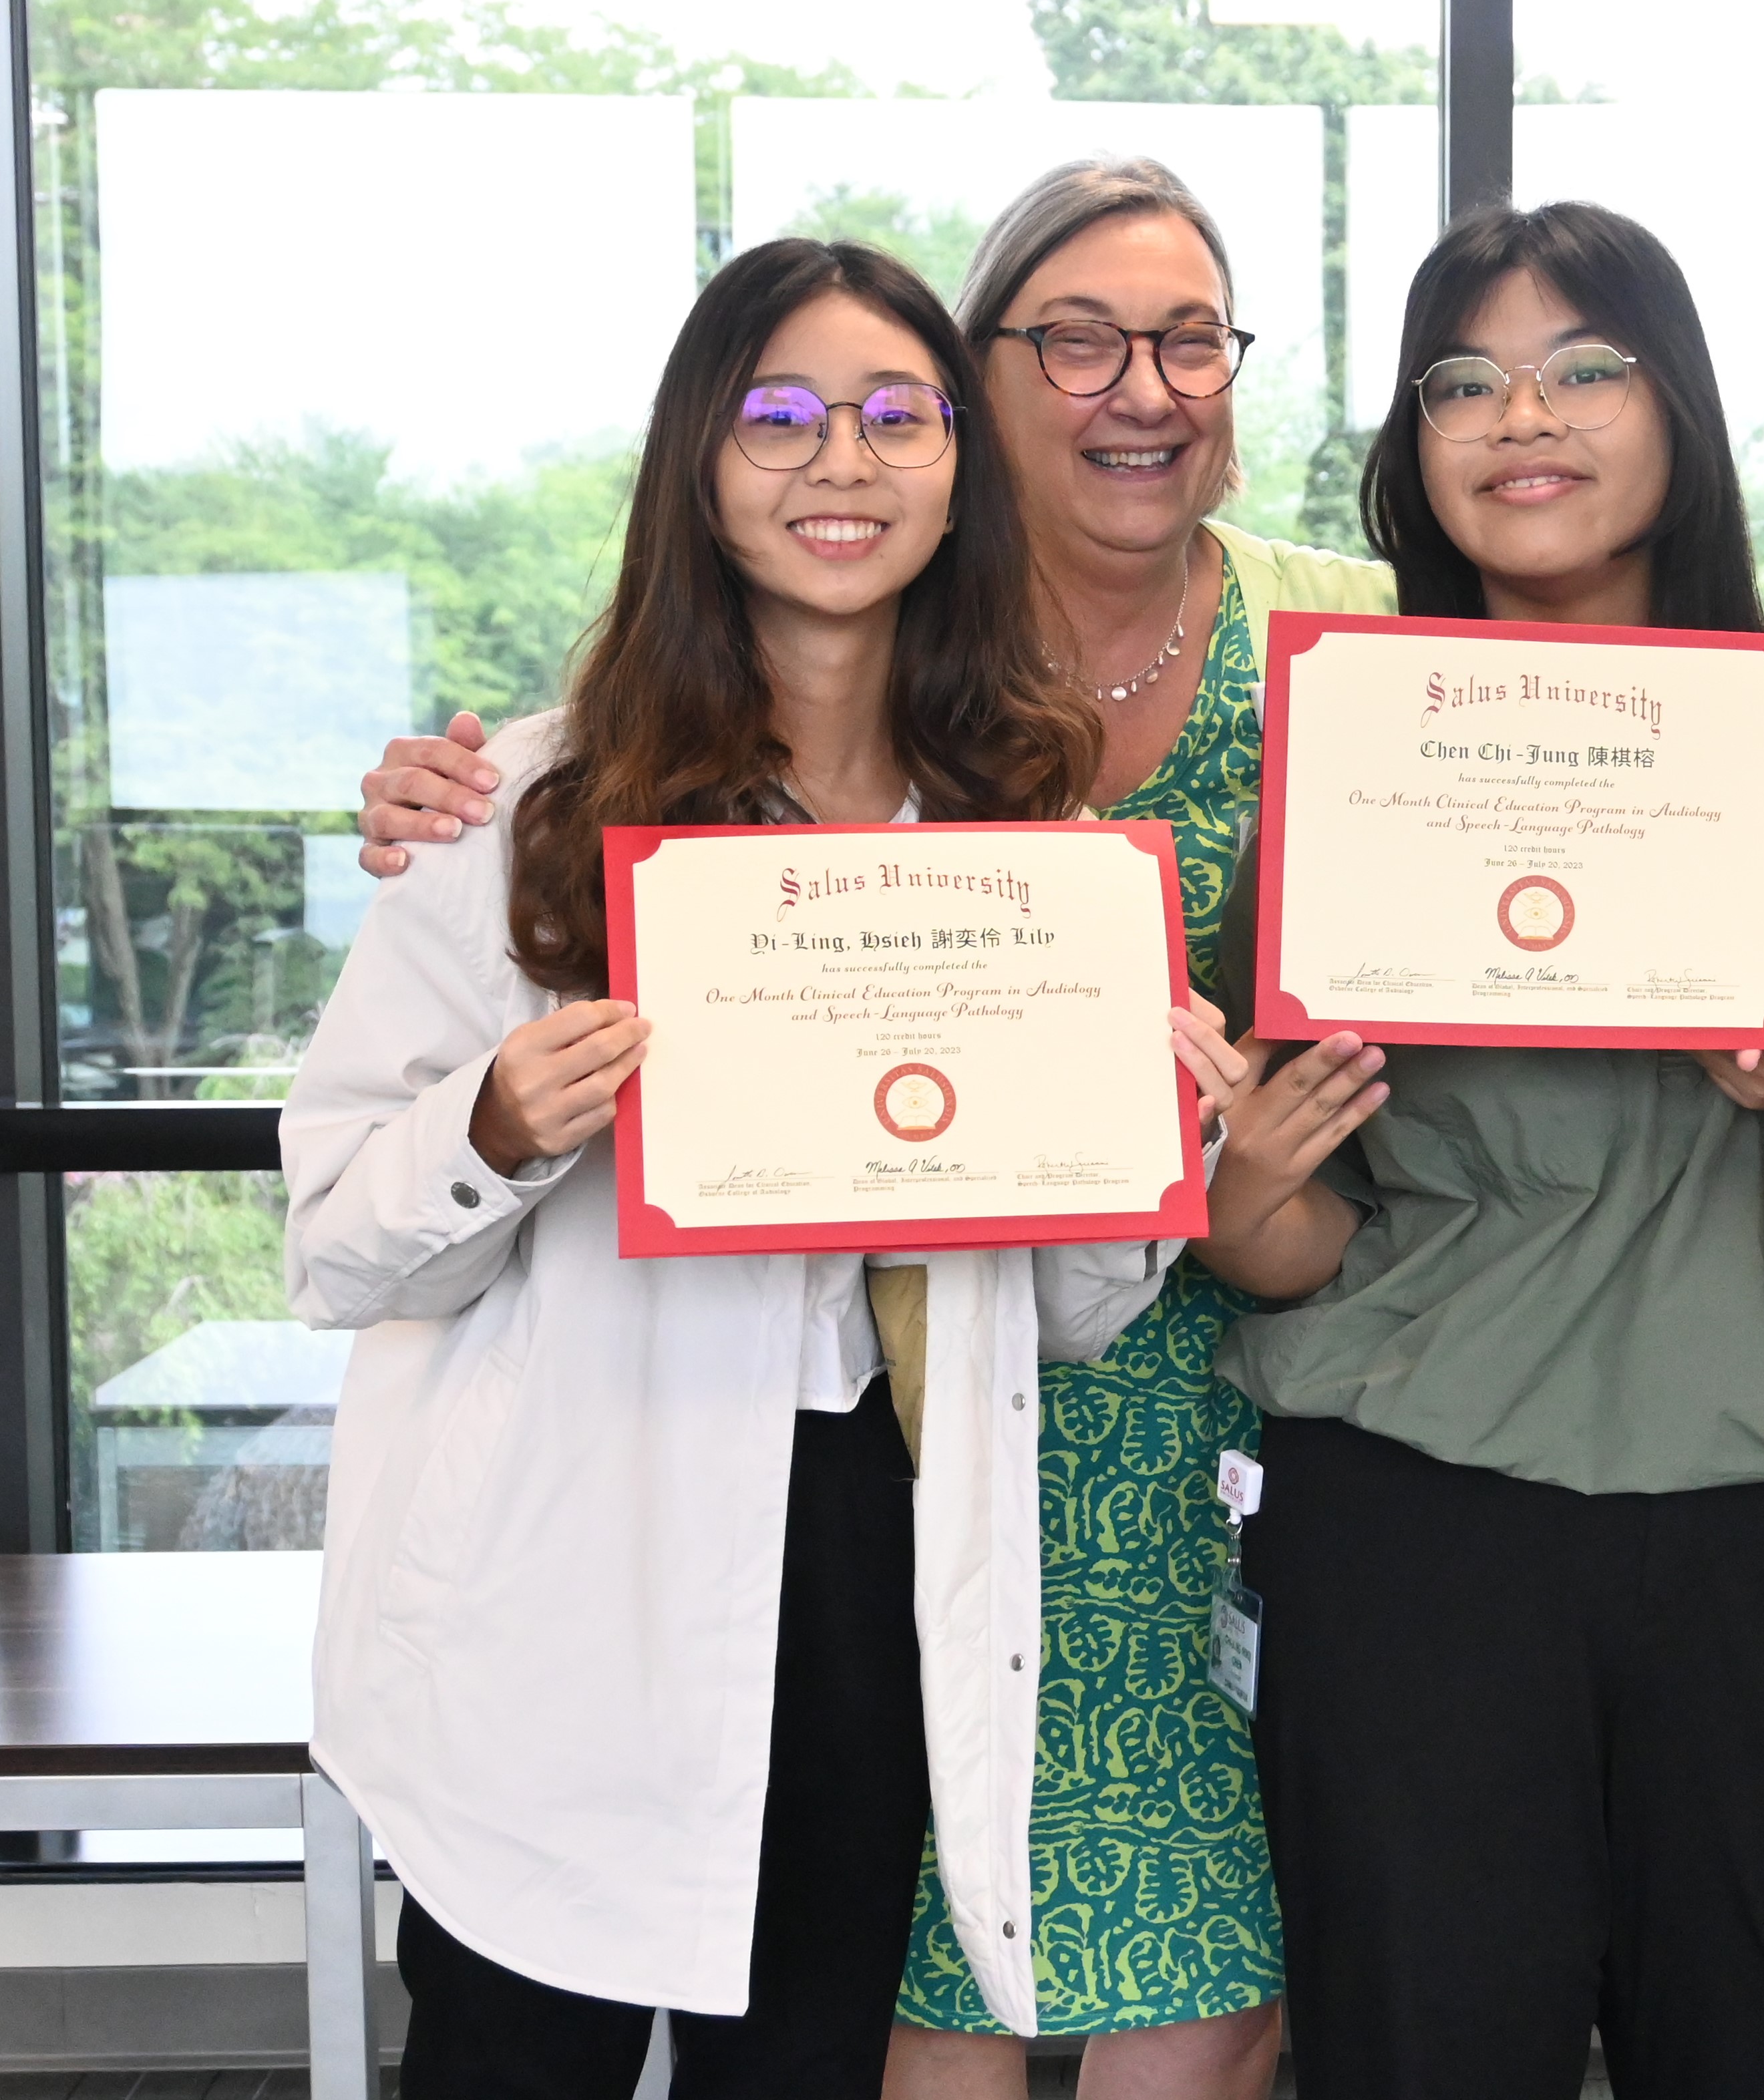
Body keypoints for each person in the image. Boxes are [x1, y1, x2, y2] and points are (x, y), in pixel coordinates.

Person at [350, 160, 1394, 2100]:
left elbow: (1062, 1316)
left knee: (807, 2056)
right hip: (579, 1554)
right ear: (700, 466)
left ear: (951, 473)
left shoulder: (1025, 856)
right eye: (782, 417)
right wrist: (499, 1119)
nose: (842, 460)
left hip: (879, 1546)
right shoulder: (522, 812)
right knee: (513, 2052)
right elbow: (334, 1230)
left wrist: (1139, 1155)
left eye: (890, 418)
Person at [1189, 200, 1764, 2100]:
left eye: (1580, 367)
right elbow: (1311, 1237)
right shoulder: (1350, 761)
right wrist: (1237, 1209)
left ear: (1680, 413)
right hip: (1419, 1528)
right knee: (1419, 2056)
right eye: (1460, 381)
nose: (1516, 417)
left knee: (1761, 2055)